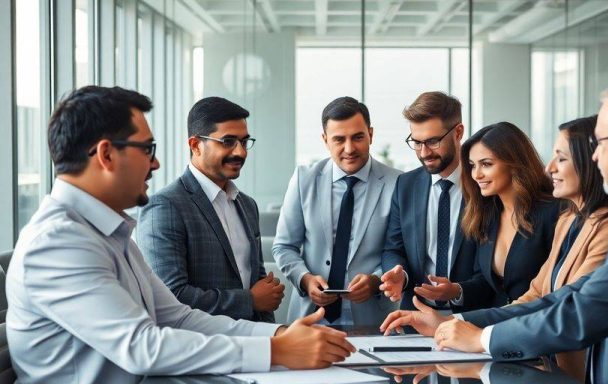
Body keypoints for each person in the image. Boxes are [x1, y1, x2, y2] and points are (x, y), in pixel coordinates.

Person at [380, 81, 608, 384]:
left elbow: (585, 312)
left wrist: (481, 339)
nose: (595, 158)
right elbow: (567, 296)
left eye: (599, 144)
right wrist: (459, 322)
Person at [6, 86, 355, 382]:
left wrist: (279, 333)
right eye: (147, 150)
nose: (155, 164)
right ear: (106, 154)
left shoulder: (108, 233)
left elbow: (177, 316)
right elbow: (142, 347)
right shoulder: (58, 242)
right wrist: (274, 349)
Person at [137, 97, 283, 322]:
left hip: (256, 345)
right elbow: (171, 297)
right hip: (203, 349)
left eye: (244, 142)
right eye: (228, 141)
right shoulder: (165, 206)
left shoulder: (247, 205)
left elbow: (259, 284)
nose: (241, 152)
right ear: (195, 145)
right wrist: (249, 300)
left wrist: (275, 338)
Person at [273, 96, 401, 326]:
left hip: (375, 321)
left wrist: (376, 281)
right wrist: (305, 280)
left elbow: (401, 251)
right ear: (325, 140)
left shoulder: (398, 183)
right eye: (339, 139)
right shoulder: (304, 180)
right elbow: (284, 246)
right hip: (311, 318)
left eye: (358, 137)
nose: (349, 149)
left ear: (370, 134)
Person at [511, 116, 608, 381]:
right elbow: (537, 292)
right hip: (551, 366)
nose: (549, 168)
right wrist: (468, 323)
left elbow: (568, 306)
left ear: (590, 162)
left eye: (561, 159)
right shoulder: (568, 219)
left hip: (582, 373)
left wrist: (481, 334)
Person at [379, 91, 480, 313]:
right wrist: (400, 275)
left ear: (458, 132)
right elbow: (393, 248)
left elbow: (493, 269)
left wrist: (458, 291)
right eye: (416, 142)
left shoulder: (482, 185)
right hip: (415, 316)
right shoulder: (406, 185)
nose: (424, 152)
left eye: (433, 141)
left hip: (471, 318)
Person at [456, 122, 561, 307]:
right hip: (494, 327)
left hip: (537, 325)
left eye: (486, 164)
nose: (476, 174)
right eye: (472, 165)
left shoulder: (553, 212)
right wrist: (455, 291)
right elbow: (487, 284)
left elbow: (555, 287)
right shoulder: (487, 214)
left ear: (514, 163)